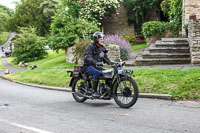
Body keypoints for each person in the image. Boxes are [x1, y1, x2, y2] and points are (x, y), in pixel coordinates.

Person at [84, 31, 111, 97]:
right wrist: (95, 62)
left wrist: (114, 63)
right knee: (97, 73)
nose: (102, 40)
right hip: (88, 67)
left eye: (102, 39)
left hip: (98, 67)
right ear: (96, 39)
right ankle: (94, 91)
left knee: (108, 73)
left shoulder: (102, 48)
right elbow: (87, 57)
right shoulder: (90, 47)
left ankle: (107, 91)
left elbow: (106, 59)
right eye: (100, 39)